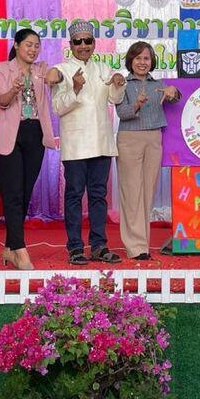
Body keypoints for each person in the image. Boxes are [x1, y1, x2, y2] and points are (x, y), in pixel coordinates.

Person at [52, 21, 127, 266]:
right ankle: (75, 248)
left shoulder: (103, 68)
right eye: (78, 41)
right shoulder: (62, 70)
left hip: (102, 142)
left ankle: (99, 246)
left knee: (98, 196)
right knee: (74, 196)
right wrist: (74, 88)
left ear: (94, 43)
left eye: (88, 41)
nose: (83, 46)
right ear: (70, 44)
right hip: (76, 145)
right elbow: (58, 108)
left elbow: (115, 99)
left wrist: (118, 84)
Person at [0, 29, 62, 270]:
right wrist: (14, 89)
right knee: (12, 194)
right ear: (17, 45)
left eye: (36, 45)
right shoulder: (3, 68)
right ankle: (20, 250)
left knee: (24, 194)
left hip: (35, 134)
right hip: (9, 136)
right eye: (28, 44)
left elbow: (55, 76)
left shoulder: (41, 69)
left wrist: (57, 74)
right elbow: (1, 101)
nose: (33, 49)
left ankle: (10, 248)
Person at [115, 41, 180, 261]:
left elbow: (176, 98)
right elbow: (122, 113)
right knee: (132, 192)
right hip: (129, 139)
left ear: (152, 62)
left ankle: (143, 244)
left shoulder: (159, 84)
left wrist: (174, 92)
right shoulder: (123, 84)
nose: (142, 62)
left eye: (146, 58)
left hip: (154, 138)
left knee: (148, 193)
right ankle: (135, 247)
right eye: (138, 58)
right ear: (130, 61)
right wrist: (137, 105)